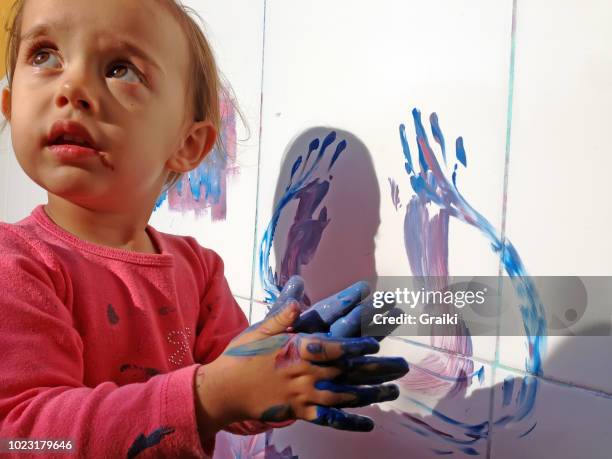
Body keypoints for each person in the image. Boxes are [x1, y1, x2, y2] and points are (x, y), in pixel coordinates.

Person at [0, 1, 408, 457]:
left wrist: (289, 367)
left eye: (120, 69)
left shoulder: (197, 268)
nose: (72, 86)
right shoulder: (14, 265)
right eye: (44, 56)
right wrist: (209, 393)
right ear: (10, 104)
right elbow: (26, 436)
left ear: (187, 144)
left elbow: (238, 400)